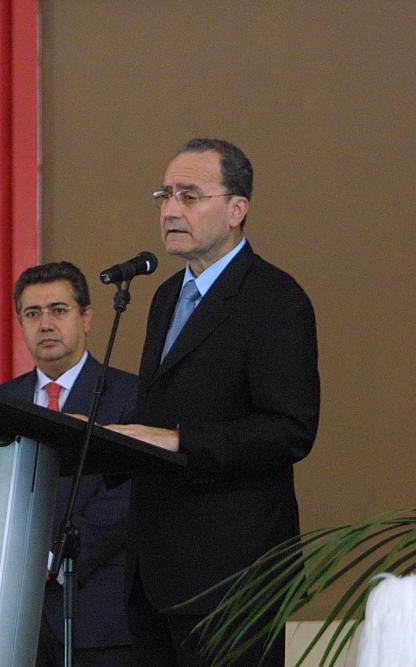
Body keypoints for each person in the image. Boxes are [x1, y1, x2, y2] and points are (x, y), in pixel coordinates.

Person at [106, 138, 320, 666]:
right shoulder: (163, 297)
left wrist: (183, 441)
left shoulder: (275, 299)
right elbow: (166, 408)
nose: (171, 209)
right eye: (164, 194)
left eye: (189, 195)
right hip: (155, 572)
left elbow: (290, 428)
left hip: (234, 575)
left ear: (236, 209)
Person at [0, 261, 137, 666]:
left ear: (86, 318)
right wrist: (12, 561)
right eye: (32, 314)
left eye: (59, 310)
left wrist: (56, 557)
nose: (46, 324)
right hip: (17, 616)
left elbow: (130, 491)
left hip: (100, 615)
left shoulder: (130, 395)